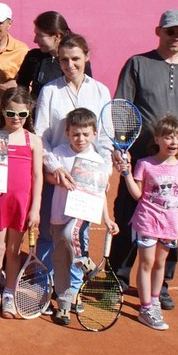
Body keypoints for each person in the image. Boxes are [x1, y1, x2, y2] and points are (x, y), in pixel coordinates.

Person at [110, 9, 178, 310]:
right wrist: (120, 145)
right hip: (141, 159)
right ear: (159, 32)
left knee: (170, 223)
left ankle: (160, 285)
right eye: (171, 31)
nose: (176, 37)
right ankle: (116, 280)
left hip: (176, 166)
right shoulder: (137, 64)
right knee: (129, 217)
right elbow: (122, 108)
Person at [32, 33, 112, 313]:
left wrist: (105, 174)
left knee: (79, 236)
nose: (70, 64)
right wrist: (55, 168)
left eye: (76, 58)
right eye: (64, 59)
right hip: (55, 175)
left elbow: (105, 139)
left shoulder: (101, 91)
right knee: (48, 233)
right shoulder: (49, 91)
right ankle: (45, 285)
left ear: (86, 57)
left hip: (87, 182)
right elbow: (42, 136)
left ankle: (71, 292)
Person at [116, 114, 178, 330]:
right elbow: (136, 195)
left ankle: (154, 300)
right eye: (168, 137)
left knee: (160, 263)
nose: (174, 142)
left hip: (170, 224)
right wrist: (126, 174)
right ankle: (145, 308)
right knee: (146, 263)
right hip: (147, 221)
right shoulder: (144, 164)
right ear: (158, 139)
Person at [45, 108, 119, 326]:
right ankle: (64, 306)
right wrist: (57, 179)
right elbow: (50, 177)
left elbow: (100, 195)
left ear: (95, 134)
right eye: (76, 134)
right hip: (58, 215)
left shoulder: (97, 161)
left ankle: (86, 263)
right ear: (67, 132)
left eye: (86, 134)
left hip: (80, 216)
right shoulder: (59, 152)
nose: (81, 139)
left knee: (72, 234)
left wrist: (107, 219)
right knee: (60, 261)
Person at [0, 87, 43, 319]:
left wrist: (35, 208)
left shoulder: (34, 141)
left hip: (21, 205)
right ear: (2, 111)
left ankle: (9, 293)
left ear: (29, 114)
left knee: (14, 252)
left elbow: (38, 177)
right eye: (11, 113)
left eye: (22, 115)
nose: (16, 119)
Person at [16, 11, 93, 100]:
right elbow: (21, 87)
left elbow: (86, 91)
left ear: (57, 36)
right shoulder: (33, 57)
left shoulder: (78, 62)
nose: (35, 40)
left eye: (40, 35)